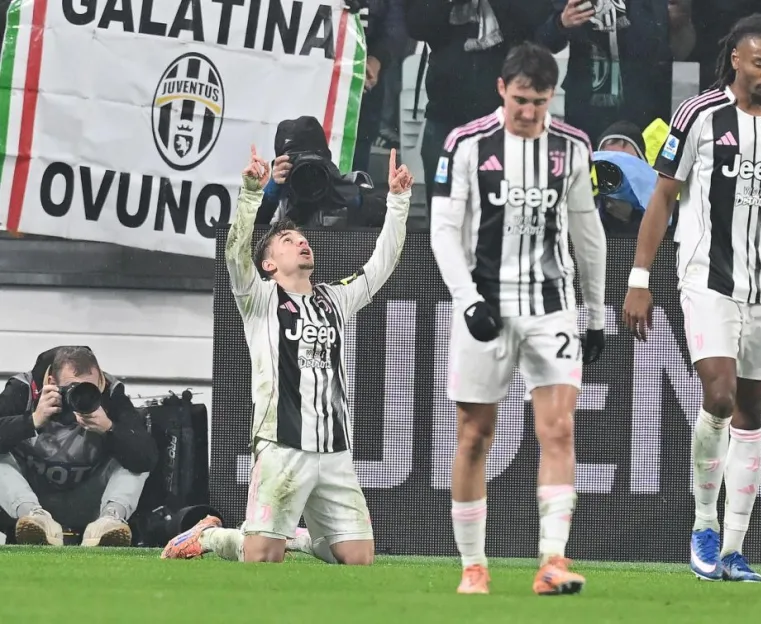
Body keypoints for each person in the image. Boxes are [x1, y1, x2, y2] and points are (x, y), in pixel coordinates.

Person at [621, 13, 761, 582]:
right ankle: (704, 525)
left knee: (751, 414)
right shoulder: (698, 115)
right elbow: (663, 197)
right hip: (707, 279)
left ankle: (734, 548)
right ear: (736, 59)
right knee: (718, 398)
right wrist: (639, 278)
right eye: (760, 62)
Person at [160, 147, 414, 564]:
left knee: (359, 559)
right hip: (282, 447)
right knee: (261, 557)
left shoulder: (335, 298)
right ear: (268, 265)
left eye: (302, 238)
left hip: (334, 450)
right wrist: (250, 193)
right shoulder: (259, 299)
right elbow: (235, 253)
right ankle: (211, 537)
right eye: (287, 241)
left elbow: (381, 265)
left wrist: (399, 201)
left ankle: (293, 538)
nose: (301, 242)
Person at [430, 41, 608, 595]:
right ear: (501, 90)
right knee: (474, 434)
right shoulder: (466, 144)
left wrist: (596, 311)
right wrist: (468, 300)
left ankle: (552, 561)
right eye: (521, 101)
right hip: (485, 304)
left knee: (559, 428)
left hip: (551, 306)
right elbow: (443, 231)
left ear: (553, 97)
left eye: (540, 102)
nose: (529, 113)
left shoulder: (573, 147)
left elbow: (588, 233)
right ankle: (473, 565)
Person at [0, 346, 157, 547]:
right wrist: (32, 421)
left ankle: (110, 520)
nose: (81, 397)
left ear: (100, 383)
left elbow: (146, 457)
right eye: (73, 389)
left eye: (89, 390)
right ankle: (34, 518)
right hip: (31, 497)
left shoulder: (110, 393)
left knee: (135, 458)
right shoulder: (24, 389)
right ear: (51, 383)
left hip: (87, 499)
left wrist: (109, 428)